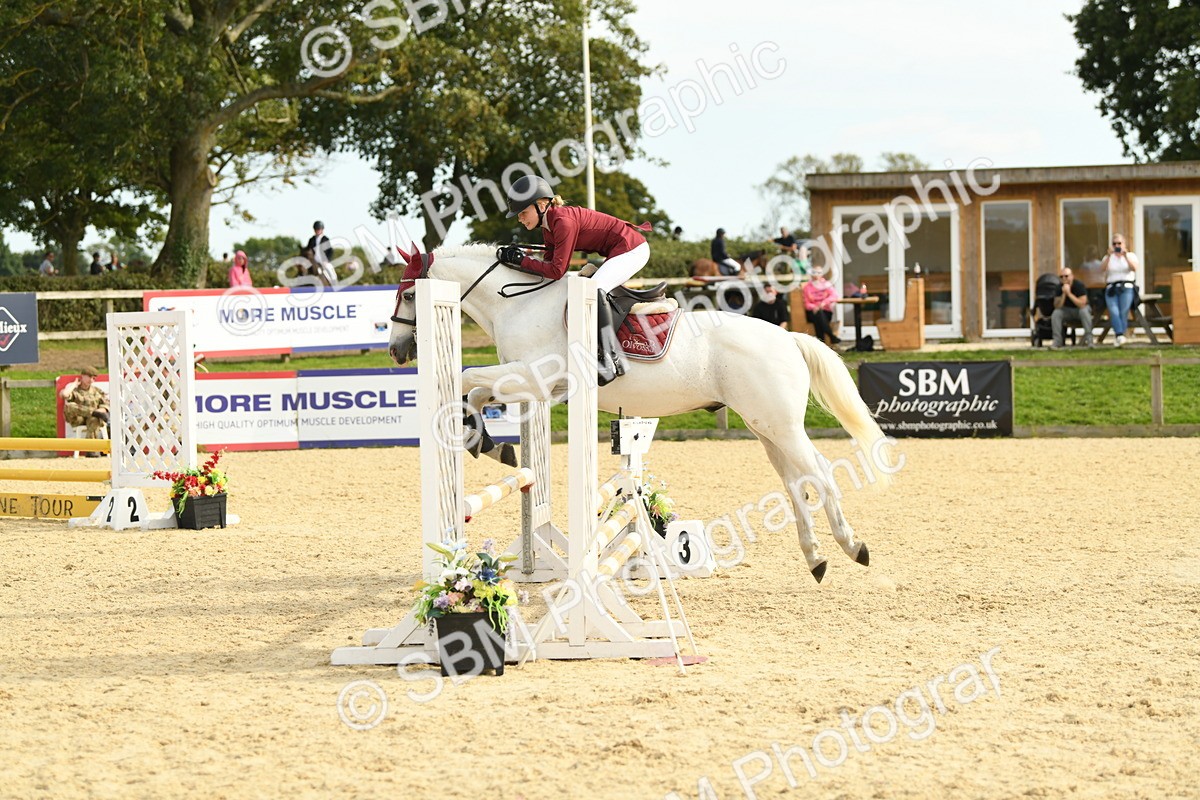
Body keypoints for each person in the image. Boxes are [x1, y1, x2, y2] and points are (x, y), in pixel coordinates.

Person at [499, 174, 652, 384]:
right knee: (590, 287)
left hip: (632, 249)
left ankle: (611, 357)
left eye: (523, 212)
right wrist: (520, 260)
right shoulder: (549, 226)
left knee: (594, 289)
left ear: (542, 204)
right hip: (617, 250)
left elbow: (557, 271)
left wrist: (522, 261)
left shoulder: (562, 222)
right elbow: (547, 269)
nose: (520, 218)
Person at [1100, 232, 1139, 347]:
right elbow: (1102, 269)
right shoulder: (1108, 257)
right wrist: (1108, 256)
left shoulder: (1130, 255)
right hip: (1112, 287)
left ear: (1124, 244)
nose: (1117, 245)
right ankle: (1120, 335)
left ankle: (1120, 335)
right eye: (1114, 243)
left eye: (1119, 243)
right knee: (1113, 311)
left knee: (1123, 311)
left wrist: (1125, 256)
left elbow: (1134, 268)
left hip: (1126, 287)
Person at [60, 366, 110, 453]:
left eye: (93, 378)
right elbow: (64, 394)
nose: (91, 380)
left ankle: (91, 450)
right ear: (82, 376)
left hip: (92, 419)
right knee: (70, 406)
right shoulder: (75, 390)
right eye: (89, 377)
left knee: (95, 419)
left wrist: (98, 412)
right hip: (78, 419)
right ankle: (93, 412)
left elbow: (105, 407)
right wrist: (74, 384)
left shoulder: (96, 391)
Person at [1050, 266, 1094, 349]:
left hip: (1080, 310)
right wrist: (1064, 294)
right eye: (1061, 277)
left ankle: (1089, 341)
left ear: (1072, 276)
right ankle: (1057, 341)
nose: (1064, 278)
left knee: (1084, 311)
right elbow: (1057, 306)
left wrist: (1069, 294)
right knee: (1056, 313)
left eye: (1066, 276)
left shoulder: (1079, 285)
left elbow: (1082, 304)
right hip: (1067, 311)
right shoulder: (1059, 287)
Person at [802, 266, 841, 345]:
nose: (816, 275)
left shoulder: (826, 284)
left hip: (825, 312)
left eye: (819, 272)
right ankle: (831, 336)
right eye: (814, 272)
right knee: (818, 314)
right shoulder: (807, 287)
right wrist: (814, 307)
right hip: (812, 312)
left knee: (819, 317)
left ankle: (821, 342)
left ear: (822, 274)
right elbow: (807, 304)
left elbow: (835, 296)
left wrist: (823, 303)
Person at [306, 221, 336, 286]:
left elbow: (330, 251)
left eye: (319, 229)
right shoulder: (311, 239)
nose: (317, 231)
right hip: (314, 261)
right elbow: (308, 250)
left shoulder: (325, 239)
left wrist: (327, 260)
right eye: (316, 229)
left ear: (322, 229)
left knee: (330, 270)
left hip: (324, 261)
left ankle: (334, 284)